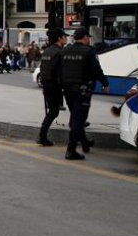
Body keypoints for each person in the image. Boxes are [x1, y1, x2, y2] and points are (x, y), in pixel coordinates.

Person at [56, 27, 109, 160]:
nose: (89, 40)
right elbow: (96, 69)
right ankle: (71, 150)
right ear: (85, 37)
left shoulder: (64, 51)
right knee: (78, 120)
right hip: (83, 90)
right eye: (88, 37)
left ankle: (85, 143)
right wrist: (105, 83)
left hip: (67, 90)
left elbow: (59, 71)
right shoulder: (88, 51)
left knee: (76, 117)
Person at [37, 29, 68, 146]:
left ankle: (42, 135)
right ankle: (42, 136)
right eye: (64, 36)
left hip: (46, 84)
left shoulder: (47, 51)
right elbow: (58, 71)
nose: (66, 38)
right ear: (59, 38)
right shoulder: (60, 52)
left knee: (52, 111)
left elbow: (44, 68)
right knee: (53, 112)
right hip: (54, 85)